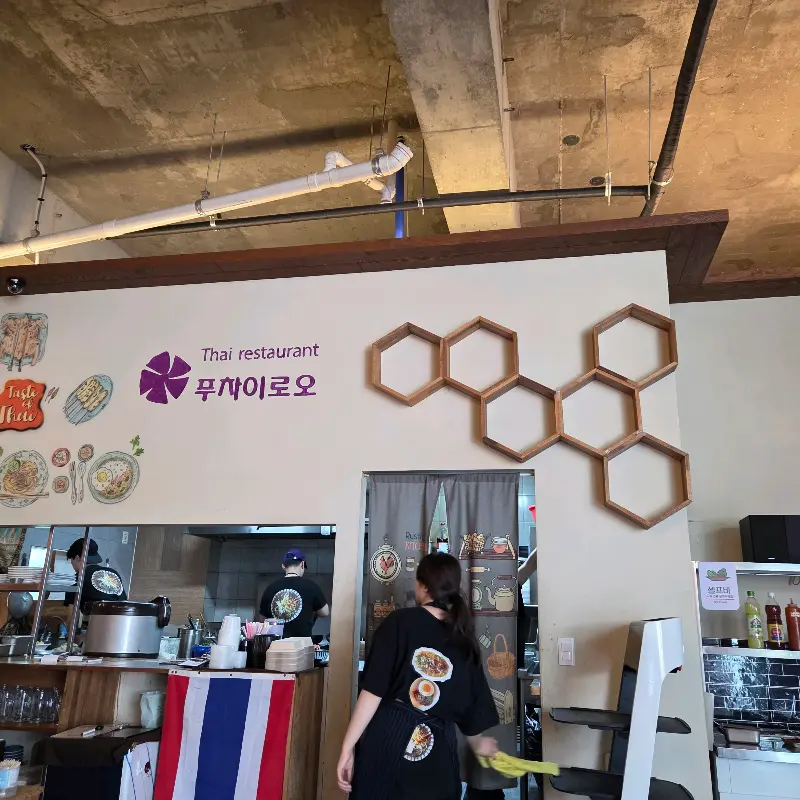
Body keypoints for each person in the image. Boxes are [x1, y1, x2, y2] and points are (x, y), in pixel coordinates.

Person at [337, 552, 499, 800]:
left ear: (423, 586)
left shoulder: (399, 622)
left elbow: (372, 692)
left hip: (389, 741)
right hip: (439, 752)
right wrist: (478, 743)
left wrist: (347, 747)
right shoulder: (464, 638)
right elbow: (470, 706)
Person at [465, 548, 538, 800]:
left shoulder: (500, 589)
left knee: (486, 735)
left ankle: (484, 788)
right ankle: (484, 788)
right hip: (493, 682)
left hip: (494, 681)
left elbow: (530, 564)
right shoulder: (478, 594)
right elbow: (530, 565)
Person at [258, 548, 329, 638]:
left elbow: (262, 620)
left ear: (283, 566)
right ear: (302, 564)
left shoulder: (270, 588)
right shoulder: (311, 586)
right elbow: (325, 612)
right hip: (301, 644)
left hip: (275, 644)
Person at [64, 538, 127, 615]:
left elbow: (71, 619)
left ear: (77, 558)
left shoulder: (78, 584)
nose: (72, 565)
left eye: (71, 560)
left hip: (97, 621)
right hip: (124, 619)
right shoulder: (114, 573)